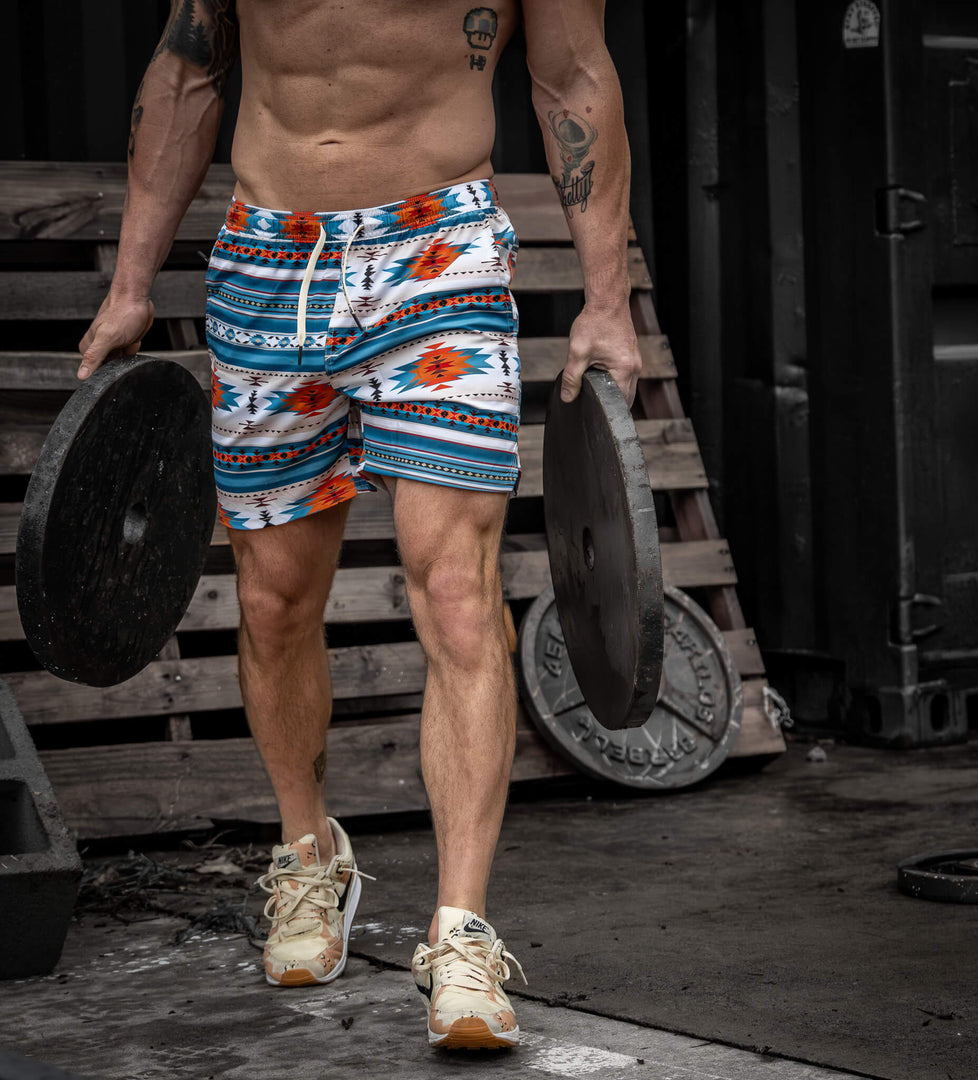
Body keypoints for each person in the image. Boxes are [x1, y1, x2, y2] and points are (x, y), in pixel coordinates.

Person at [78, 0, 640, 1051]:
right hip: (267, 259)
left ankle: (461, 933)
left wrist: (606, 300)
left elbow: (573, 77)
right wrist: (130, 284)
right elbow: (190, 67)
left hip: (439, 252)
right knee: (273, 601)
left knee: (460, 596)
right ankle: (309, 858)